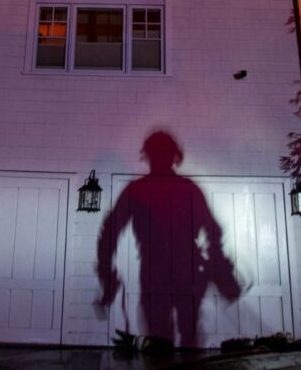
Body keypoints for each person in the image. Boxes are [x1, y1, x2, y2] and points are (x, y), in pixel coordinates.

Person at [96, 131, 242, 347]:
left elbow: (109, 233)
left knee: (159, 340)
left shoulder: (137, 190)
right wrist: (217, 265)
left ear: (147, 155)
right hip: (187, 272)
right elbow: (214, 231)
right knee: (188, 336)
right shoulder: (188, 189)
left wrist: (106, 273)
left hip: (158, 273)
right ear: (175, 156)